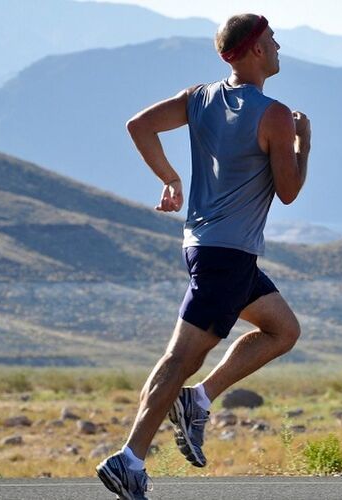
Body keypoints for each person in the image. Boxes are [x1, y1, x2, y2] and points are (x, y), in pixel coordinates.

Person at [96, 13, 310, 499]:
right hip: (227, 257)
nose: (278, 48)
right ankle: (129, 457)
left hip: (208, 248)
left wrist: (169, 178)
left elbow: (140, 125)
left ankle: (199, 399)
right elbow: (289, 190)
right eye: (273, 41)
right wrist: (305, 143)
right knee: (179, 357)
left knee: (282, 329)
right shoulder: (274, 114)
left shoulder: (200, 98)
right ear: (255, 49)